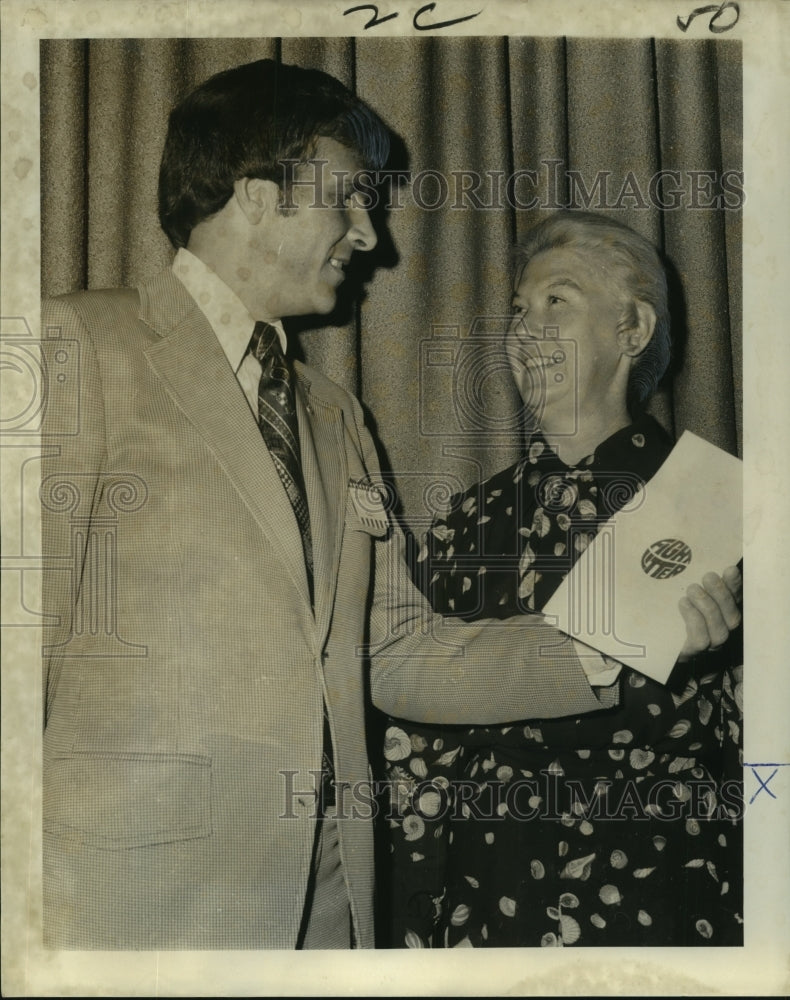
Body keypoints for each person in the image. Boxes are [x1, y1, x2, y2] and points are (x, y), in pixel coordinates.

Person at [43, 60, 714, 952]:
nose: (370, 236)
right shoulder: (74, 345)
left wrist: (625, 636)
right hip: (121, 910)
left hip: (326, 915)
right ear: (257, 196)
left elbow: (398, 654)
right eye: (349, 198)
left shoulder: (333, 415)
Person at [381, 211, 744, 948]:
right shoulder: (471, 521)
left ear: (633, 330)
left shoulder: (717, 505)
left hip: (653, 891)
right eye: (519, 308)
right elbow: (409, 703)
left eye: (558, 301)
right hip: (484, 892)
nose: (524, 327)